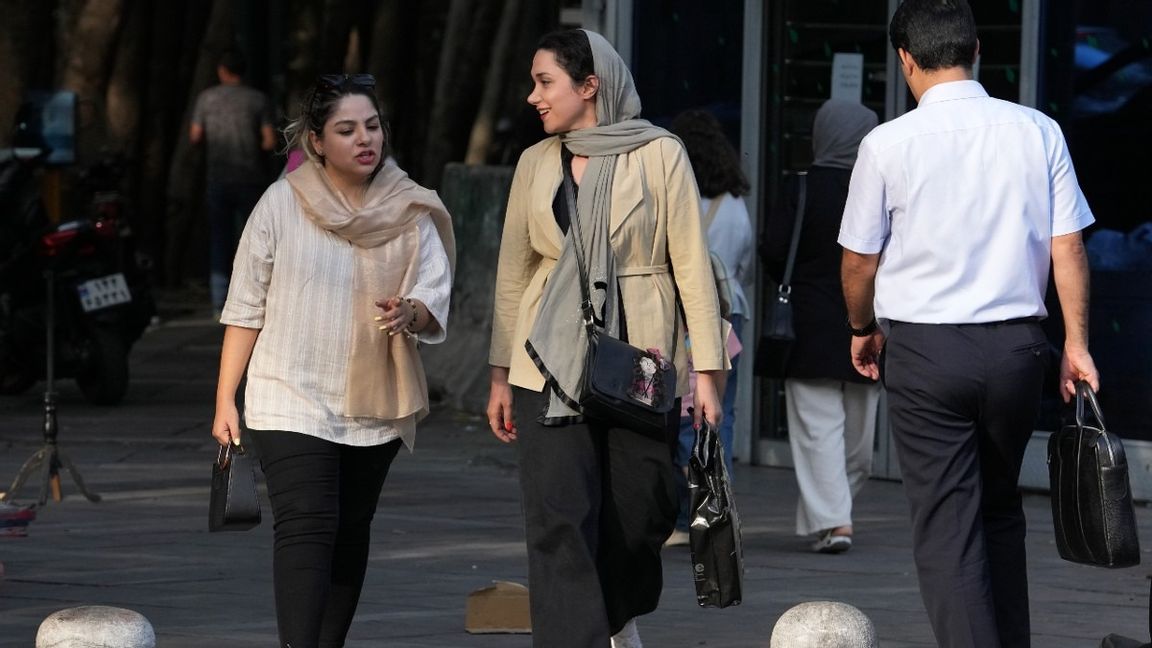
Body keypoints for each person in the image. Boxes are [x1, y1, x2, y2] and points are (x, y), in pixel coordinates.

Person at [838, 1, 1098, 646]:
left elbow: (857, 261)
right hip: (1017, 348)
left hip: (925, 351)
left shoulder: (886, 143)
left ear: (904, 60)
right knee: (1000, 508)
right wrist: (1077, 344)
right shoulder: (1038, 130)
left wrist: (861, 326)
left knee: (949, 525)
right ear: (977, 49)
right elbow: (1068, 247)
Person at [485, 29, 727, 648]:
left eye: (546, 83)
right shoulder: (535, 162)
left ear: (590, 86)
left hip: (639, 361)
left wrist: (707, 372)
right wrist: (498, 374)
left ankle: (615, 614)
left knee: (641, 512)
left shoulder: (660, 153)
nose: (533, 97)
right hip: (547, 361)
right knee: (557, 519)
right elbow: (513, 271)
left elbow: (691, 265)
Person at [211, 73, 455, 648]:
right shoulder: (280, 203)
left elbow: (432, 292)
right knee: (307, 526)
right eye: (346, 130)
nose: (364, 139)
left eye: (372, 126)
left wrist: (409, 313)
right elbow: (245, 304)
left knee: (349, 532)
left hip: (374, 403)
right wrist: (226, 395)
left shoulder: (412, 206)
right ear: (317, 141)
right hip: (287, 395)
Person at [763, 99, 881, 554]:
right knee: (858, 437)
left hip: (808, 323)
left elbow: (774, 248)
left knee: (819, 430)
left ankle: (834, 519)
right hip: (868, 321)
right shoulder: (879, 189)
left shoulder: (802, 188)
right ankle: (836, 519)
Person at [665, 108, 754, 546]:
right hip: (730, 312)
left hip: (686, 316)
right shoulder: (735, 204)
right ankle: (722, 511)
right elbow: (744, 263)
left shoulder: (676, 199)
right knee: (724, 413)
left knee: (685, 414)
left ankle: (687, 518)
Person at [189, 50, 276, 315]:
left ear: (222, 71)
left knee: (219, 239)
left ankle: (219, 303)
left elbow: (195, 136)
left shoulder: (206, 99)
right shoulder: (257, 99)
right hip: (251, 178)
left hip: (218, 177)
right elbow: (269, 141)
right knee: (255, 241)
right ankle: (254, 300)